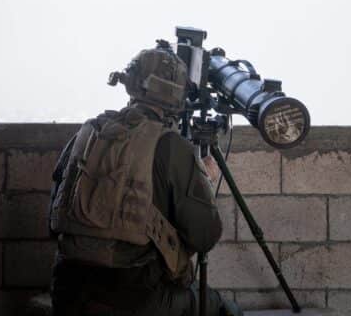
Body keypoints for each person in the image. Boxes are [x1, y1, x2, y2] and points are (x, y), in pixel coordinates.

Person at [48, 42, 241, 316]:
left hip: (67, 292)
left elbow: (53, 217)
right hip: (135, 300)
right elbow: (205, 236)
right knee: (221, 307)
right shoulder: (171, 145)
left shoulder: (89, 132)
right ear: (177, 94)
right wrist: (206, 180)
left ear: (131, 83)